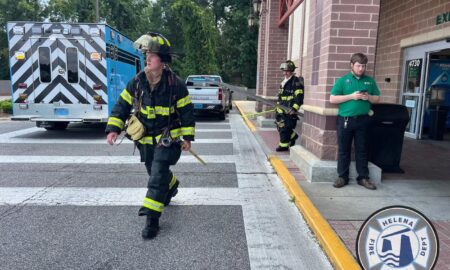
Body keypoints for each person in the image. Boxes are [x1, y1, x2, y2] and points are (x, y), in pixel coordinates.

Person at [105, 32, 195, 239]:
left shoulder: (176, 85)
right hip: (145, 141)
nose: (148, 58)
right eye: (147, 54)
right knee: (154, 172)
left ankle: (151, 220)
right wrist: (113, 129)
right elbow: (122, 105)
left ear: (162, 60)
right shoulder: (137, 82)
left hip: (167, 141)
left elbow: (187, 112)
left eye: (152, 55)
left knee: (155, 178)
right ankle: (171, 185)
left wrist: (187, 138)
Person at [330, 52, 380, 190]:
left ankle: (363, 178)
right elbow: (333, 99)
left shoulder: (369, 81)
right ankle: (342, 177)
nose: (361, 69)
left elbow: (377, 98)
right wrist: (352, 96)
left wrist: (368, 97)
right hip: (345, 120)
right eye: (358, 66)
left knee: (362, 149)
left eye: (363, 66)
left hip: (363, 120)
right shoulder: (343, 80)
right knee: (343, 150)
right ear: (352, 65)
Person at [275, 60, 304, 152]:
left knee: (284, 128)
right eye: (284, 71)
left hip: (289, 110)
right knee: (280, 126)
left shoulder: (296, 81)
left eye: (287, 71)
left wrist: (294, 108)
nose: (285, 73)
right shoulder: (283, 82)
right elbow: (280, 96)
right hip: (281, 109)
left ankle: (283, 146)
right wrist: (278, 107)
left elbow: (299, 97)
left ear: (291, 71)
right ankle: (293, 136)